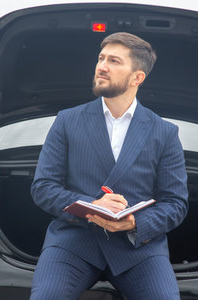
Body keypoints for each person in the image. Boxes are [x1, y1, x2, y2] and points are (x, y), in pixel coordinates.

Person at [30, 32, 188, 299]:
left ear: (137, 77)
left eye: (114, 61)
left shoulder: (165, 132)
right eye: (101, 58)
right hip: (74, 242)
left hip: (139, 250)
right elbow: (43, 187)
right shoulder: (66, 121)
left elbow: (176, 203)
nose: (101, 66)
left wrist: (136, 222)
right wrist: (93, 205)